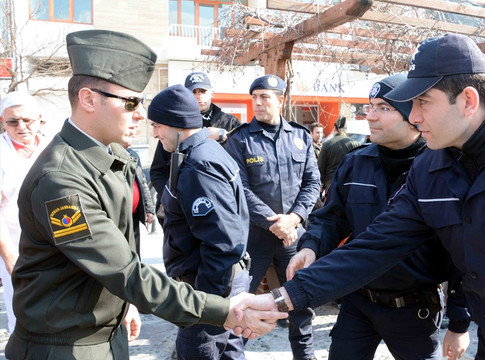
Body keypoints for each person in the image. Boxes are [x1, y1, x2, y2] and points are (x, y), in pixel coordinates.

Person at [245, 33, 485, 360]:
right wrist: (287, 297)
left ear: (468, 100)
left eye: (422, 102)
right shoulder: (431, 168)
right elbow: (374, 247)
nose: (413, 116)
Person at [6, 29, 285, 360]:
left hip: (105, 332)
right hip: (65, 345)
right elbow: (124, 271)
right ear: (88, 99)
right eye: (130, 102)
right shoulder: (61, 180)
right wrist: (223, 310)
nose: (141, 114)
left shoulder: (114, 157)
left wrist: (124, 305)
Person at [287, 73, 471, 360]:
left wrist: (459, 323)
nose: (370, 116)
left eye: (383, 108)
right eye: (369, 106)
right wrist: (311, 247)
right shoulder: (356, 162)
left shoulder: (441, 170)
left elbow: (462, 252)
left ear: (414, 115)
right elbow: (332, 218)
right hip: (358, 300)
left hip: (414, 307)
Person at [149, 84, 251, 360]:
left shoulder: (198, 164)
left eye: (157, 125)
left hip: (211, 286)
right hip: (219, 282)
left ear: (176, 123)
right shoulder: (203, 152)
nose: (155, 133)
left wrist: (205, 305)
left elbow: (222, 243)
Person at [225, 74, 322, 360]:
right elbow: (239, 188)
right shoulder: (240, 139)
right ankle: (231, 354)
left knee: (300, 301)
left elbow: (312, 183)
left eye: (264, 96)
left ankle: (305, 356)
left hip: (294, 237)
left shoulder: (300, 136)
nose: (257, 102)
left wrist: (294, 218)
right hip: (255, 238)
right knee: (240, 300)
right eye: (254, 96)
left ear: (279, 99)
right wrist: (275, 222)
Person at [149, 71, 241, 219]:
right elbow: (157, 171)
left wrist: (225, 135)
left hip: (221, 202)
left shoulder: (229, 122)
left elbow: (245, 149)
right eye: (193, 92)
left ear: (212, 93)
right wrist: (171, 197)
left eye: (203, 91)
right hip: (180, 209)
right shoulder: (174, 126)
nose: (199, 96)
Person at [0, 91, 50, 334]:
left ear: (40, 119)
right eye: (12, 122)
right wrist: (9, 258)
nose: (21, 127)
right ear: (2, 122)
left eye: (27, 120)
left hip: (57, 247)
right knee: (23, 317)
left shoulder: (54, 147)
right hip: (17, 250)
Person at [317, 116, 360, 189]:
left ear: (335, 128)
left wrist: (321, 184)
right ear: (346, 130)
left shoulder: (327, 144)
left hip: (331, 185)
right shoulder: (355, 144)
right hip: (350, 184)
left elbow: (320, 168)